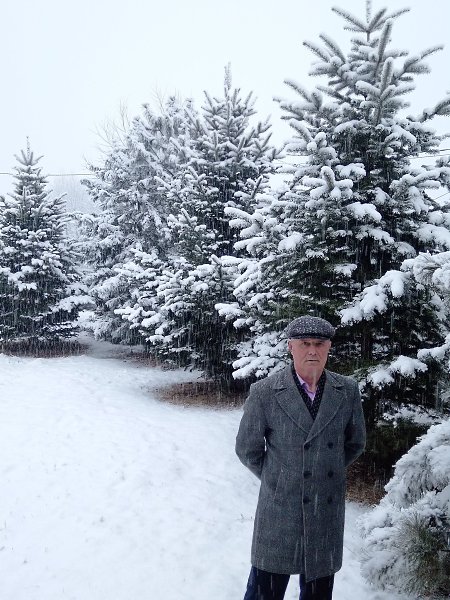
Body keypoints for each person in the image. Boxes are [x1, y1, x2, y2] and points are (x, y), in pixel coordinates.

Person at [236, 316, 366, 600]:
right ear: (290, 347)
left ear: (328, 347)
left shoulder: (347, 390)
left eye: (319, 344)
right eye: (304, 343)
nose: (312, 351)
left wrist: (322, 469)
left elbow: (355, 443)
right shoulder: (265, 392)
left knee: (318, 592)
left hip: (325, 510)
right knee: (264, 591)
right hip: (280, 509)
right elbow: (247, 449)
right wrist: (282, 476)